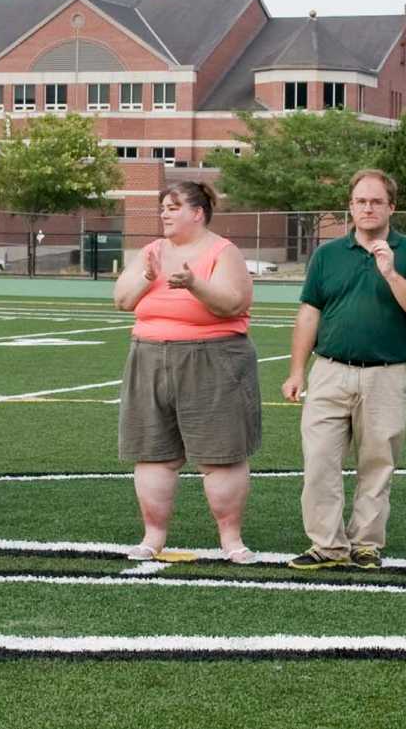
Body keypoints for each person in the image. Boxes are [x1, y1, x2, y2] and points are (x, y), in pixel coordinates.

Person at [282, 169, 406, 570]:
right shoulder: (327, 255)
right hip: (330, 370)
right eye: (360, 201)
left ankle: (366, 543)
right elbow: (308, 314)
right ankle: (327, 544)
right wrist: (297, 370)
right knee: (319, 460)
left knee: (376, 463)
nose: (367, 208)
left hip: (385, 374)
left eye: (375, 201)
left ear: (392, 207)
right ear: (350, 207)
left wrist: (390, 274)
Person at [111, 181, 259, 563]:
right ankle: (152, 536)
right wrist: (147, 277)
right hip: (148, 356)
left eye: (174, 206)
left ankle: (231, 539)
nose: (164, 212)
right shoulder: (151, 251)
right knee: (152, 453)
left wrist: (194, 284)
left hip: (213, 357)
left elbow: (232, 304)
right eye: (163, 206)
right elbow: (121, 301)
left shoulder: (223, 252)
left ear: (198, 212)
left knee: (220, 454)